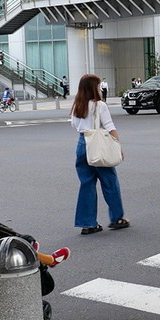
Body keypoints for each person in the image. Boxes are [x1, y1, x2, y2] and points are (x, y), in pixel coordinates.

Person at [69, 74, 127, 234]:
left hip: (82, 144)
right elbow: (109, 126)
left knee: (86, 184)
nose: (100, 88)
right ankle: (117, 218)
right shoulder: (99, 105)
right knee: (109, 182)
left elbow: (75, 125)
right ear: (93, 88)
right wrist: (117, 146)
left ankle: (87, 223)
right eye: (98, 86)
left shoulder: (77, 105)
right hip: (98, 144)